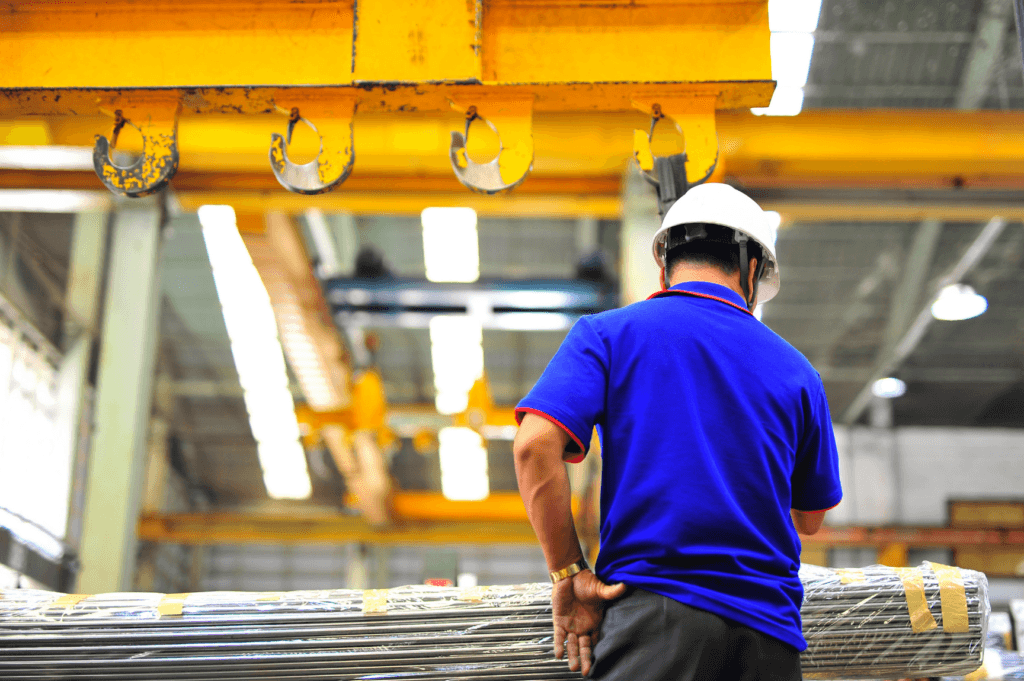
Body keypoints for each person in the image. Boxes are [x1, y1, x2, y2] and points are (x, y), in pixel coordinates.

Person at [512, 183, 842, 681]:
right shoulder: (799, 373)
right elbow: (811, 517)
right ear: (752, 268)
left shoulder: (608, 335)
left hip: (654, 625)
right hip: (769, 639)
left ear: (665, 262)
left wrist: (568, 572)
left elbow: (535, 444)